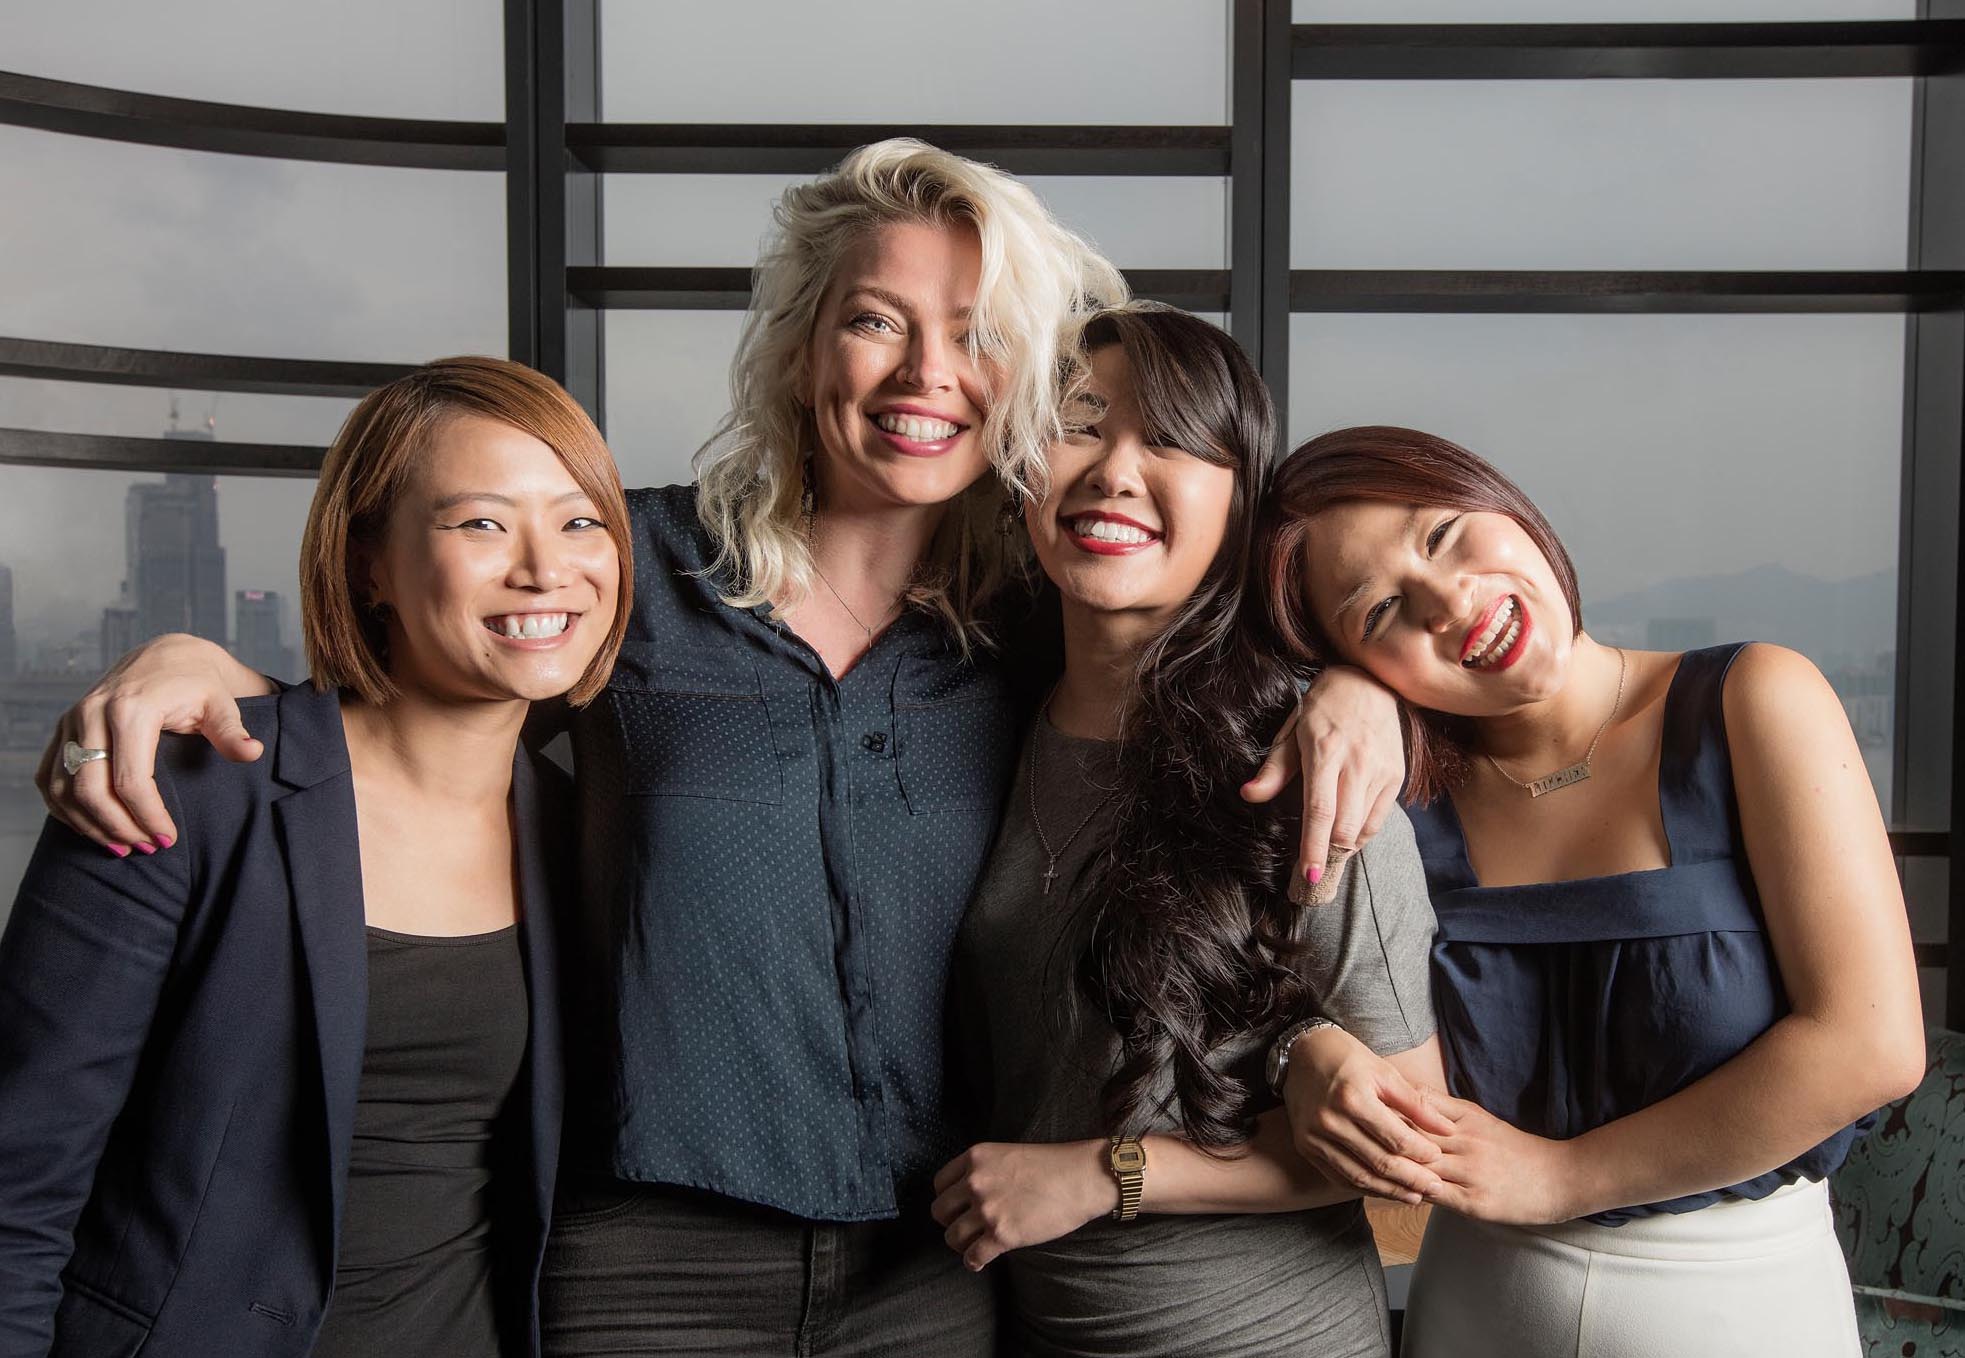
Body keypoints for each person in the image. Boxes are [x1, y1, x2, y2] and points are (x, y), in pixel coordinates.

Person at [30, 143, 1405, 1354]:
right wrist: (207, 668)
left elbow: (1188, 652)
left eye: (976, 334)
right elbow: (421, 694)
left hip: (939, 1270)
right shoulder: (632, 567)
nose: (928, 373)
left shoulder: (1028, 631)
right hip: (644, 1261)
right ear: (804, 344)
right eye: (877, 320)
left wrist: (1352, 687)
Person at [0, 356, 632, 1357]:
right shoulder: (183, 787)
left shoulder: (584, 829)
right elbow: (16, 1185)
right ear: (369, 558)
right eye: (480, 522)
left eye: (580, 519)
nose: (545, 567)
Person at [1259, 425, 1925, 1358]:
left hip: (1741, 1313)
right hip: (1470, 1307)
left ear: (1502, 500)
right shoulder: (1391, 804)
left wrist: (1561, 1177)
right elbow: (1311, 1011)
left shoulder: (1751, 699)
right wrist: (1305, 1052)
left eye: (1446, 533)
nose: (1449, 602)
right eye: (1380, 614)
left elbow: (1872, 1046)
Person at [930, 305, 1440, 1358]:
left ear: (1240, 504)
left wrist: (1106, 1171)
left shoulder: (1313, 765)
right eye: (1080, 424)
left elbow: (1408, 1138)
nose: (1116, 471)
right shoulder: (982, 717)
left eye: (1168, 438)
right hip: (1036, 1327)